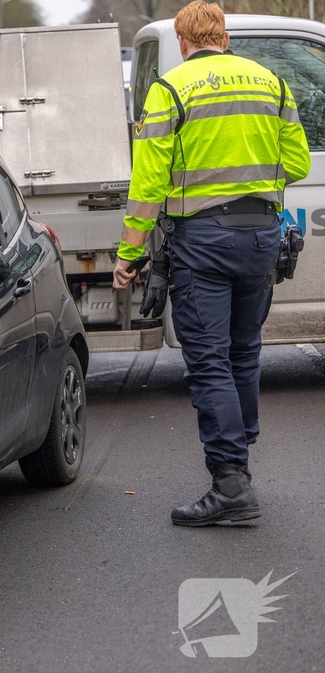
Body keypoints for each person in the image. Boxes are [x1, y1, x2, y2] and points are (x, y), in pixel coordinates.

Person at [112, 0, 311, 526]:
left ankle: (230, 485)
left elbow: (148, 183)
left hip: (202, 243)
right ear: (223, 36)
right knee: (244, 353)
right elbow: (298, 162)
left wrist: (131, 254)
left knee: (208, 363)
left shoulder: (171, 91)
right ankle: (238, 462)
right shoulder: (270, 83)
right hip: (263, 237)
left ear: (183, 41)